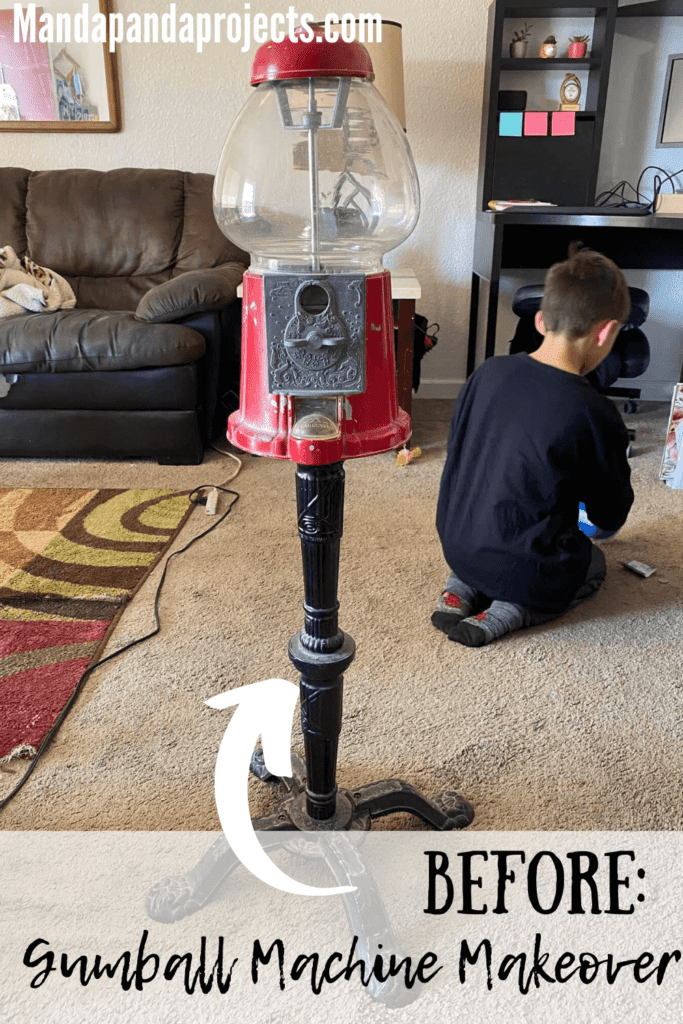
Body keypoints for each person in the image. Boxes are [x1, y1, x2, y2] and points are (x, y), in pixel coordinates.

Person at [433, 244, 634, 648]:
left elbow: (461, 455)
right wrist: (591, 524)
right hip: (526, 570)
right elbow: (608, 515)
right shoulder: (595, 411)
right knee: (593, 562)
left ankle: (462, 586)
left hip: (456, 544)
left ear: (541, 321)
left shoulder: (487, 372)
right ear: (606, 332)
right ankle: (517, 607)